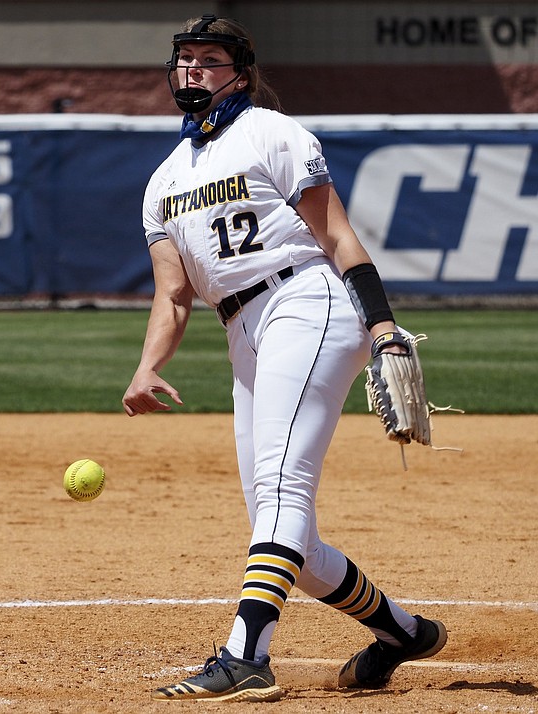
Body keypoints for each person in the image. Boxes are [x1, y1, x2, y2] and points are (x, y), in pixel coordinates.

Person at [122, 16, 447, 702]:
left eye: (208, 60)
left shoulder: (273, 133)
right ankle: (404, 633)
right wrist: (147, 366)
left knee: (281, 491)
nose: (192, 72)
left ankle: (247, 654)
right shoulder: (163, 181)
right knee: (287, 538)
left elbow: (337, 237)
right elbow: (173, 295)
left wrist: (383, 326)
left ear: (240, 72)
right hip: (242, 329)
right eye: (183, 60)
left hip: (307, 302)